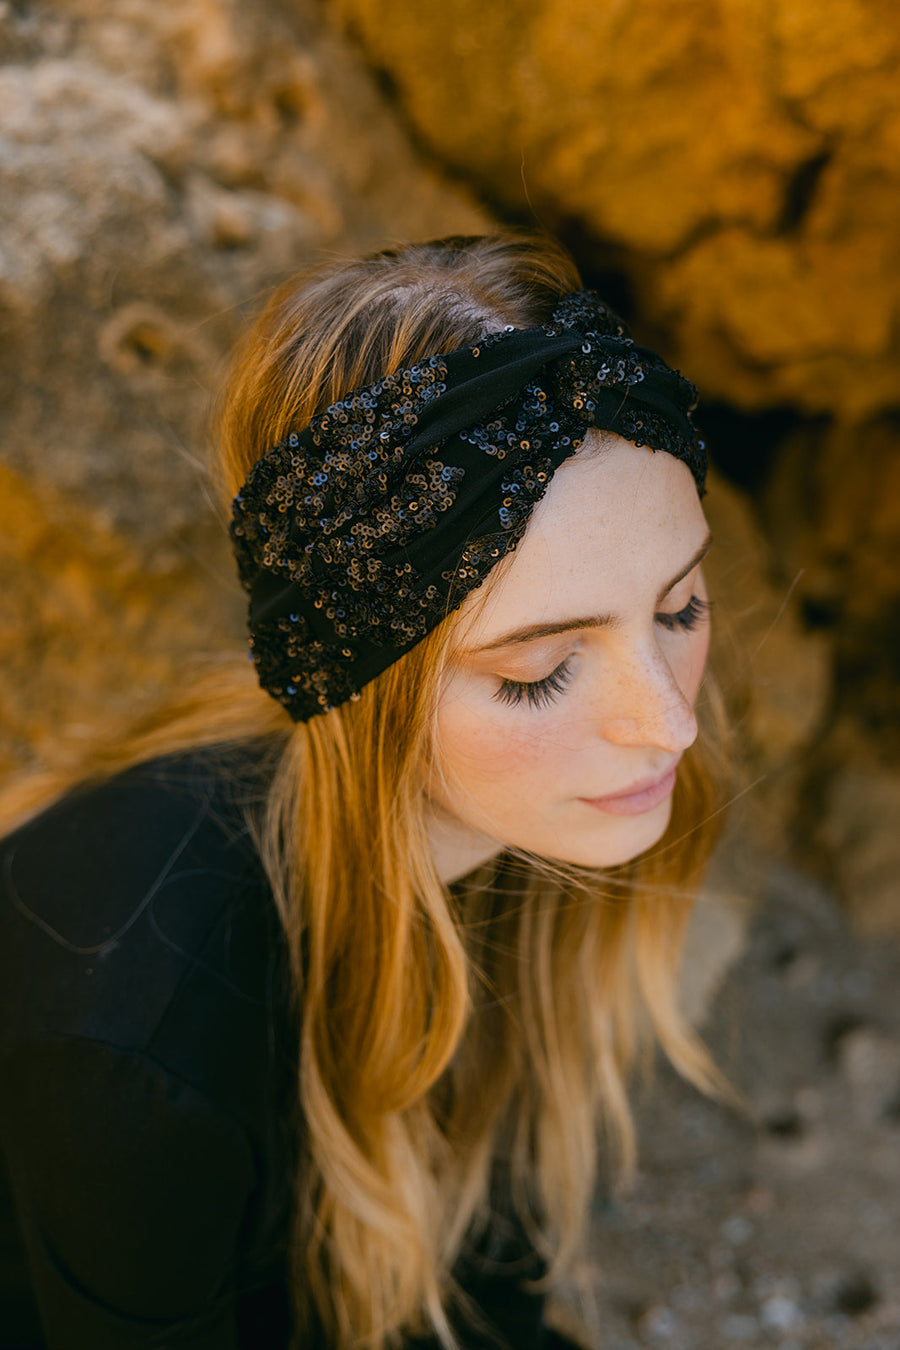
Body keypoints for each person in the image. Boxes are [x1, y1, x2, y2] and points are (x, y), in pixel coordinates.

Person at [0, 233, 729, 1350]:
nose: (669, 722)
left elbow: (489, 1295)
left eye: (679, 609)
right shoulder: (144, 1054)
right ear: (365, 688)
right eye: (539, 673)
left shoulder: (547, 824)